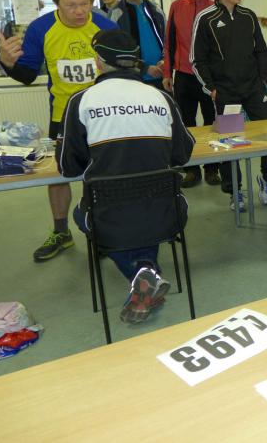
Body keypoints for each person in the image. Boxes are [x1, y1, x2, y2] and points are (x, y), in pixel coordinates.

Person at [57, 29, 194, 324]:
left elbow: (68, 167)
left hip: (108, 215)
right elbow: (183, 154)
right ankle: (146, 270)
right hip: (167, 213)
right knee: (144, 205)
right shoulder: (162, 98)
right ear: (135, 61)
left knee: (82, 214)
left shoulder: (81, 101)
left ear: (98, 62)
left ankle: (140, 275)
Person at [0, 0, 117, 262]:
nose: (79, 11)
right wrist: (7, 64)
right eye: (71, 5)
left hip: (103, 114)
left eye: (84, 4)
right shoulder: (41, 29)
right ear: (56, 3)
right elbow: (27, 75)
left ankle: (102, 231)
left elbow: (121, 68)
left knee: (103, 174)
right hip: (63, 116)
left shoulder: (105, 25)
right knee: (59, 174)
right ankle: (61, 232)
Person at [191, 0, 267, 212]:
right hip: (225, 91)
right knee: (228, 142)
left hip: (254, 88)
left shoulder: (248, 16)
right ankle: (234, 190)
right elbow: (197, 59)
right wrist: (211, 88)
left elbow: (261, 50)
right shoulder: (206, 18)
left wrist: (262, 79)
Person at [162, 0, 220, 188]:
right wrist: (167, 72)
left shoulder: (215, 8)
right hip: (183, 76)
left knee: (213, 123)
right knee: (185, 124)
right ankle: (192, 170)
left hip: (208, 78)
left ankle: (212, 168)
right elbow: (169, 42)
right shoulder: (177, 6)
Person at [110, 0, 166, 89]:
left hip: (161, 74)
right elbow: (115, 50)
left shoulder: (156, 9)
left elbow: (167, 39)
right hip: (133, 78)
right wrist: (145, 68)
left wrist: (164, 60)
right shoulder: (116, 13)